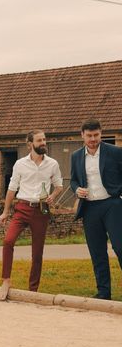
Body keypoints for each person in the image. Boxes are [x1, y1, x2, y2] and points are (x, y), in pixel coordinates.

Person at [0, 130, 63, 300]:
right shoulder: (20, 164)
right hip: (22, 207)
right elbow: (12, 189)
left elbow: (59, 186)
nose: (43, 143)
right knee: (8, 241)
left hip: (42, 210)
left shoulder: (53, 164)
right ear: (30, 144)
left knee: (37, 252)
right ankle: (6, 280)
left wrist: (53, 196)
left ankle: (33, 290)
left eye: (44, 140)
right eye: (39, 140)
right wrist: (5, 211)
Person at [70, 118, 122, 300]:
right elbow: (74, 179)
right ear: (82, 135)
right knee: (97, 251)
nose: (93, 139)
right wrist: (77, 189)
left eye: (96, 135)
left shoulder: (115, 152)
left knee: (120, 246)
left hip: (112, 205)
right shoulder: (76, 156)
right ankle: (104, 293)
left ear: (101, 134)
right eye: (89, 135)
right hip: (90, 208)